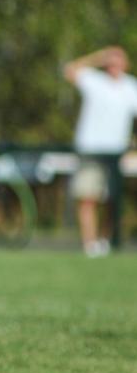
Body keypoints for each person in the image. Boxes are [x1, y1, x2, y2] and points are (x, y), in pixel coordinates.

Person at [63, 46, 137, 257]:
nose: (114, 66)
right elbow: (69, 70)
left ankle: (103, 241)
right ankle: (90, 245)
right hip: (90, 149)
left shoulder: (131, 86)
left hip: (115, 153)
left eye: (118, 61)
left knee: (112, 200)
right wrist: (98, 57)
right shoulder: (94, 81)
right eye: (111, 61)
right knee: (88, 197)